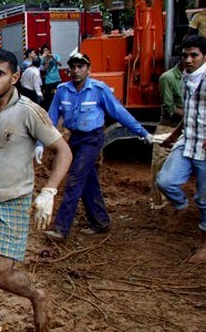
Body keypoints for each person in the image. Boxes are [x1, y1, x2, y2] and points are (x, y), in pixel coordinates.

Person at [0, 49, 72, 332]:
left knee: (0, 274)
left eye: (0, 73)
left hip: (13, 202)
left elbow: (63, 151)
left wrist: (49, 192)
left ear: (15, 77)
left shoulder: (29, 111)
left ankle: (37, 296)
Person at [44, 53, 153, 240]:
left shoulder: (99, 89)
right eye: (73, 67)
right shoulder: (62, 90)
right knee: (88, 180)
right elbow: (50, 119)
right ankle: (100, 221)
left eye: (81, 66)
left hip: (92, 138)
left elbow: (119, 113)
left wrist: (143, 133)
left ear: (89, 69)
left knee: (75, 180)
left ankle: (60, 228)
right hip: (74, 138)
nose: (76, 70)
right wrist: (40, 143)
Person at [156, 35, 206, 263]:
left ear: (204, 57)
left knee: (204, 199)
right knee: (165, 180)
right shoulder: (187, 79)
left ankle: (204, 244)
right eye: (185, 55)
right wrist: (173, 136)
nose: (188, 59)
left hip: (205, 147)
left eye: (194, 55)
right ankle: (181, 206)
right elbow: (188, 116)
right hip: (188, 140)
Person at [150, 59, 184, 210]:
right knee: (159, 164)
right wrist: (192, 115)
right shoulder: (168, 78)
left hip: (190, 128)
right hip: (168, 127)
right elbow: (169, 108)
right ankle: (159, 204)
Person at [40, 45, 62, 110]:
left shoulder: (56, 56)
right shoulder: (43, 59)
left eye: (47, 50)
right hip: (49, 81)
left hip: (57, 79)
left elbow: (60, 64)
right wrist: (47, 61)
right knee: (49, 98)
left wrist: (53, 58)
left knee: (58, 96)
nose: (46, 52)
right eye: (44, 51)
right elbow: (44, 69)